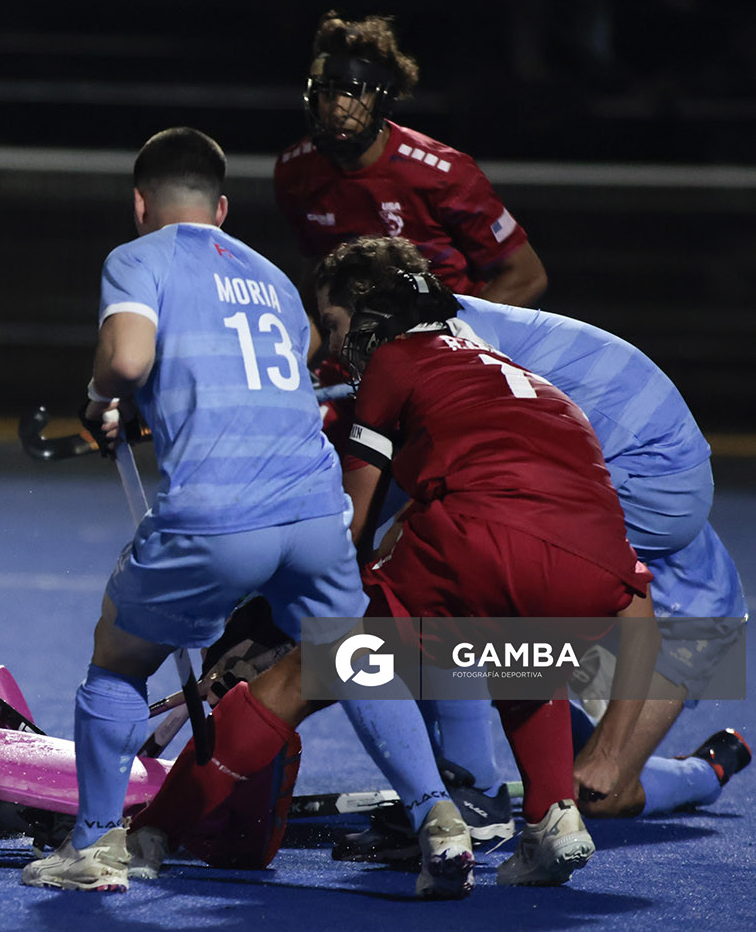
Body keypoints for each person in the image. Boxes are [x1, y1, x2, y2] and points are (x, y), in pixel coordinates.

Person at [128, 240, 660, 896]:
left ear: (372, 317)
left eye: (339, 323)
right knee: (521, 650)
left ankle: (150, 830)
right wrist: (610, 747)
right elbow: (638, 606)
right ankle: (554, 815)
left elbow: (347, 525)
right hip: (592, 570)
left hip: (481, 541)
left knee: (307, 671)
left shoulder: (394, 361)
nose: (335, 345)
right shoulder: (521, 379)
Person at [309, 237, 748, 856]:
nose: (331, 347)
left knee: (448, 561)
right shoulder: (446, 326)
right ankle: (708, 770)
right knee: (600, 791)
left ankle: (474, 791)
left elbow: (370, 523)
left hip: (643, 471)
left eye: (331, 325)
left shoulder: (424, 349)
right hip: (675, 486)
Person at [18, 127, 368, 892]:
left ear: (140, 203)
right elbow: (300, 352)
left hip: (218, 514)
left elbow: (127, 359)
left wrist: (105, 397)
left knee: (119, 650)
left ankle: (94, 845)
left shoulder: (138, 258)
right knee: (357, 655)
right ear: (223, 206)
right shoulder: (272, 272)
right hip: (318, 508)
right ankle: (445, 807)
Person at [274, 11, 547, 307]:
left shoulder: (445, 174)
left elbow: (526, 276)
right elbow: (317, 272)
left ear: (382, 99)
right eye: (328, 94)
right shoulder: (295, 170)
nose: (338, 109)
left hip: (441, 332)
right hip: (356, 341)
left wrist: (457, 339)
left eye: (353, 93)